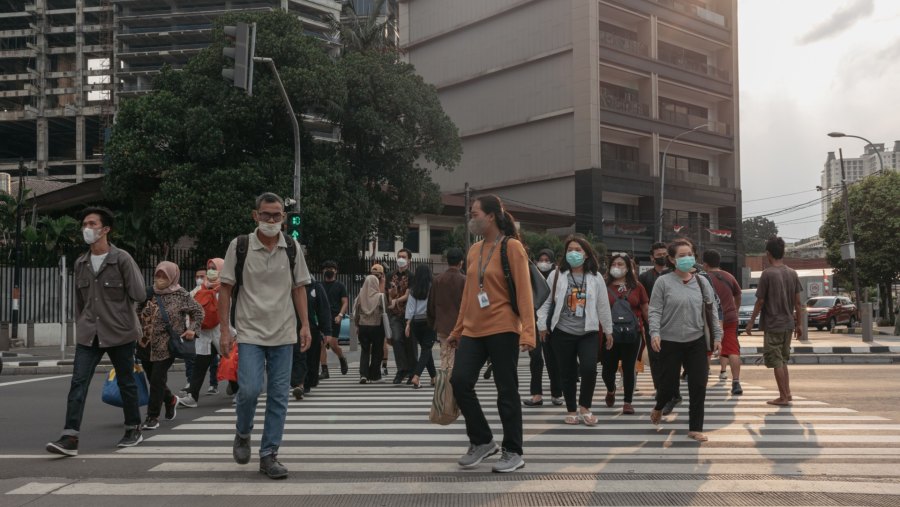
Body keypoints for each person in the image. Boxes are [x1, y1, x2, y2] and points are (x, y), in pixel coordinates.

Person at [218, 192, 313, 480]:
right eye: (266, 214)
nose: (271, 220)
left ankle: (269, 454)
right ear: (255, 215)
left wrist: (305, 325)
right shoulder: (241, 245)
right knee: (248, 390)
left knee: (279, 396)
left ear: (284, 218)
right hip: (249, 333)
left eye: (277, 215)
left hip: (283, 333)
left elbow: (299, 288)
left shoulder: (292, 247)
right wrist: (224, 329)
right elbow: (225, 289)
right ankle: (243, 433)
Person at [46, 206, 147, 456]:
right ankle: (70, 437)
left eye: (92, 224)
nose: (86, 229)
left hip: (120, 331)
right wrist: (83, 324)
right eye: (84, 224)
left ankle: (133, 427)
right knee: (78, 383)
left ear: (106, 229)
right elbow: (81, 303)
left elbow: (139, 293)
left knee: (126, 382)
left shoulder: (121, 258)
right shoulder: (81, 262)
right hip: (89, 333)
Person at [448, 194, 535, 473]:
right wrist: (458, 329)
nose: (471, 219)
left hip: (503, 327)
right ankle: (483, 440)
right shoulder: (474, 250)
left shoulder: (512, 247)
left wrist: (528, 333)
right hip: (473, 329)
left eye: (474, 214)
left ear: (492, 216)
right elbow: (468, 295)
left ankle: (513, 451)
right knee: (459, 381)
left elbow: (524, 293)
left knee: (506, 390)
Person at [648, 239, 722, 442]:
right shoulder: (663, 282)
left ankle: (695, 428)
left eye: (689, 254)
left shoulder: (702, 282)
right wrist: (655, 333)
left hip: (696, 340)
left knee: (698, 384)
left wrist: (717, 336)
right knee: (668, 385)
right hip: (670, 341)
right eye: (681, 255)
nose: (687, 258)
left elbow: (711, 310)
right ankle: (658, 406)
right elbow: (654, 310)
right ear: (671, 259)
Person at [536, 235, 614, 426]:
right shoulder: (556, 275)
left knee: (589, 369)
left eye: (577, 250)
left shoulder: (596, 278)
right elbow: (545, 301)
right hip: (561, 332)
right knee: (567, 372)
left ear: (586, 254)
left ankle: (585, 407)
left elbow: (603, 306)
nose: (573, 253)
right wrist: (542, 325)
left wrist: (609, 331)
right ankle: (571, 409)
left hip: (588, 332)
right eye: (570, 249)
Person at [138, 261, 204, 430]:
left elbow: (198, 312)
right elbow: (136, 311)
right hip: (145, 344)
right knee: (153, 379)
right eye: (158, 275)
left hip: (167, 345)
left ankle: (152, 416)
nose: (160, 278)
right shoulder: (148, 292)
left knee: (157, 379)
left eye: (164, 276)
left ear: (173, 277)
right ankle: (170, 399)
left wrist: (192, 330)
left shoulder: (181, 295)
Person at [746, 236, 802, 407]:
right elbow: (798, 303)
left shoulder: (767, 274)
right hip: (788, 324)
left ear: (768, 253)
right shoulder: (792, 273)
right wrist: (799, 324)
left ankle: (783, 396)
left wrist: (751, 322)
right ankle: (788, 393)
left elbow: (760, 301)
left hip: (773, 324)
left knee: (776, 360)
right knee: (783, 360)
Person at [601, 252, 649, 415]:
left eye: (621, 264)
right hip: (609, 334)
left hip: (632, 334)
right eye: (614, 264)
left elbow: (645, 308)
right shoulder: (603, 285)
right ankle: (611, 389)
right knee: (608, 370)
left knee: (629, 368)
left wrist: (652, 330)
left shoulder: (637, 286)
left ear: (629, 268)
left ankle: (628, 402)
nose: (617, 267)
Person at [179, 259, 227, 408]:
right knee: (200, 365)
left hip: (221, 334)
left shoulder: (226, 288)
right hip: (205, 334)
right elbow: (191, 308)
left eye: (214, 268)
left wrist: (231, 333)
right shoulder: (201, 289)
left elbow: (228, 313)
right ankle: (192, 396)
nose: (211, 271)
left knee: (230, 362)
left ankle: (238, 389)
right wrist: (191, 327)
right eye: (209, 268)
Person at [524, 249, 563, 407]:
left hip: (550, 323)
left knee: (552, 359)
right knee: (536, 358)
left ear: (552, 262)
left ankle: (556, 393)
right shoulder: (530, 276)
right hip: (533, 321)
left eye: (547, 260)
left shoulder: (557, 277)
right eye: (541, 259)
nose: (544, 263)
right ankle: (536, 395)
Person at [702, 249, 744, 395]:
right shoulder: (729, 277)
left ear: (705, 264)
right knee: (733, 349)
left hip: (709, 320)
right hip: (730, 319)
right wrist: (735, 310)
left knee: (707, 349)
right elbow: (738, 295)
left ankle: (705, 378)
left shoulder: (702, 278)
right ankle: (736, 382)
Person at [639, 242, 674, 404]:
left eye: (664, 254)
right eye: (658, 255)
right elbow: (643, 303)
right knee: (655, 358)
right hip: (652, 324)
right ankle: (659, 388)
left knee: (671, 357)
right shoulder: (645, 278)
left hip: (672, 323)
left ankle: (671, 389)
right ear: (652, 258)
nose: (662, 257)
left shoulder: (675, 274)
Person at [291, 278, 333, 399]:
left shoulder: (315, 286)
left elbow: (324, 310)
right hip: (292, 328)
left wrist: (327, 331)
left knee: (311, 358)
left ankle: (306, 383)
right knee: (298, 355)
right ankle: (299, 384)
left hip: (312, 328)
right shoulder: (290, 285)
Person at [427, 248, 466, 370]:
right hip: (461, 326)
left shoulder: (437, 279)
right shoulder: (465, 280)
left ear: (447, 262)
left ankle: (445, 386)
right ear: (461, 262)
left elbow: (431, 304)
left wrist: (433, 323)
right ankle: (455, 385)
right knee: (460, 359)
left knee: (445, 357)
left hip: (442, 326)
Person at [354, 268, 388, 384]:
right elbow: (386, 309)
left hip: (363, 326)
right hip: (377, 326)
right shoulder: (380, 296)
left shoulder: (360, 296)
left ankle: (363, 374)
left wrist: (356, 325)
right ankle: (375, 375)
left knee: (365, 350)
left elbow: (356, 312)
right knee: (377, 351)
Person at [406, 264, 437, 389]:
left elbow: (410, 308)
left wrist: (408, 324)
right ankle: (416, 376)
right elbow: (436, 306)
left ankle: (434, 377)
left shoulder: (414, 289)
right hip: (429, 322)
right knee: (426, 349)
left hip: (416, 323)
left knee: (426, 349)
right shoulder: (433, 288)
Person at [388, 251, 416, 383]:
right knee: (396, 339)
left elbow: (408, 295)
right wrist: (391, 295)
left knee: (410, 342)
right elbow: (387, 293)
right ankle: (402, 369)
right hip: (394, 314)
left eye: (404, 257)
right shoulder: (390, 275)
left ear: (409, 260)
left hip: (408, 314)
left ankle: (412, 372)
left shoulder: (412, 276)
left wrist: (396, 300)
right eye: (399, 256)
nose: (401, 259)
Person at [320, 260, 349, 378]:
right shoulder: (320, 286)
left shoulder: (340, 286)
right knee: (321, 344)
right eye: (327, 268)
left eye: (332, 268)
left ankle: (341, 357)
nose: (329, 270)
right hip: (322, 318)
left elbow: (345, 302)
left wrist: (340, 315)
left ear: (336, 271)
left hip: (335, 317)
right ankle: (324, 370)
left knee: (332, 344)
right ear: (323, 271)